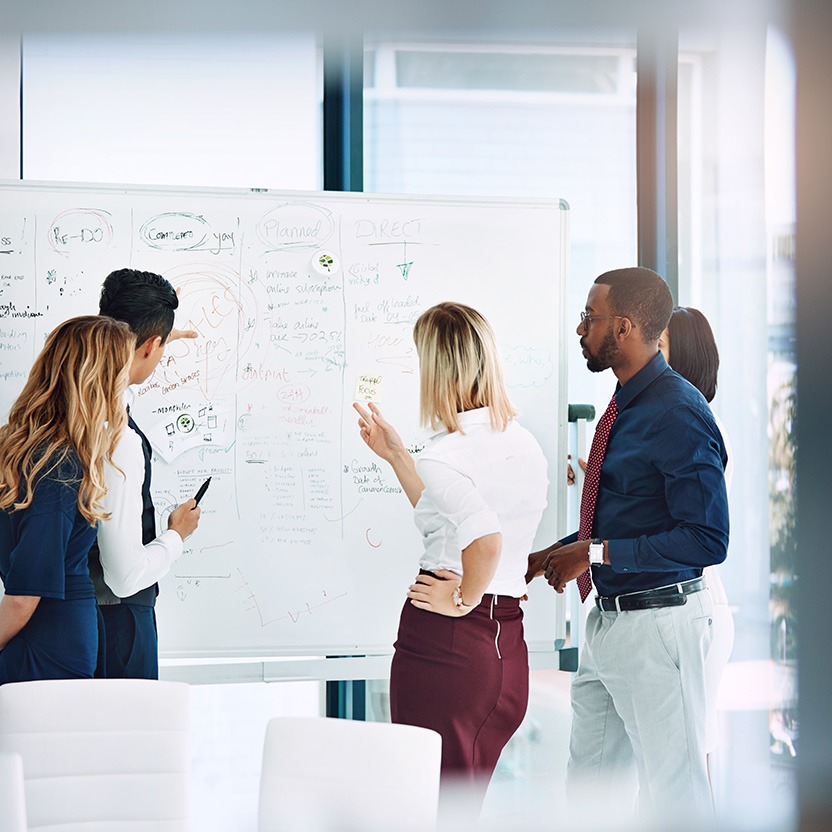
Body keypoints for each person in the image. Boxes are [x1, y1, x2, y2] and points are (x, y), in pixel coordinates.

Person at [528, 268, 729, 820]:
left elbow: (707, 538)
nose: (579, 328)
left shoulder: (678, 413)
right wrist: (554, 552)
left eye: (589, 318)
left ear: (622, 327)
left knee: (674, 802)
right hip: (608, 625)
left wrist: (592, 554)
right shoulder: (625, 407)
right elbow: (624, 514)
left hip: (657, 627)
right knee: (591, 796)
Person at [354, 301, 548, 815]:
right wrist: (399, 457)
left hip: (447, 647)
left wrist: (463, 599)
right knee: (458, 809)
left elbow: (484, 540)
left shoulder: (445, 457)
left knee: (430, 806)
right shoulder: (522, 443)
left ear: (439, 371)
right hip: (507, 647)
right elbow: (447, 519)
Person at [0, 315, 134, 684]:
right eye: (122, 374)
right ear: (99, 382)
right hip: (44, 649)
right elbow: (23, 597)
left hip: (48, 640)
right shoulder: (56, 466)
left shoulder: (32, 453)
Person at [89, 268, 201, 680]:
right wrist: (177, 535)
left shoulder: (79, 406)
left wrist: (156, 343)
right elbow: (123, 576)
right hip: (116, 625)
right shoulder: (117, 434)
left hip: (78, 619)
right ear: (152, 345)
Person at [658, 306, 735, 780]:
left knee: (691, 762)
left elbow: (697, 527)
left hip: (695, 602)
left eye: (660, 346)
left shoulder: (697, 425)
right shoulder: (684, 422)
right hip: (686, 603)